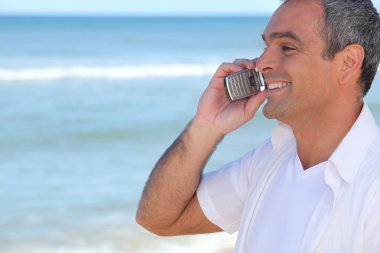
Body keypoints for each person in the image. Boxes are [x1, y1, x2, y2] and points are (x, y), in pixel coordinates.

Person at [136, 0, 380, 252]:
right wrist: (206, 126)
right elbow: (158, 219)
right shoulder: (270, 159)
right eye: (266, 46)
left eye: (287, 47)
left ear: (348, 62)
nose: (262, 62)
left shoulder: (374, 183)